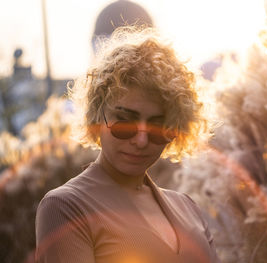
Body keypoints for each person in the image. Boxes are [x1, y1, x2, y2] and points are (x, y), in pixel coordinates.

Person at [35, 26, 220, 263]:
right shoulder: (66, 207)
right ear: (96, 117)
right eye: (124, 122)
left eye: (157, 127)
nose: (141, 141)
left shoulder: (187, 207)